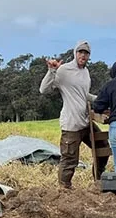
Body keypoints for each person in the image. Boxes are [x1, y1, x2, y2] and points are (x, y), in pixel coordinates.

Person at [39, 40, 107, 188]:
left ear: (89, 56)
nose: (83, 55)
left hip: (86, 122)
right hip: (71, 125)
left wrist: (102, 99)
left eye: (86, 53)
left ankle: (99, 182)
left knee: (103, 148)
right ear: (75, 53)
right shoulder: (64, 70)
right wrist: (52, 71)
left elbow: (83, 94)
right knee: (70, 160)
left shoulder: (86, 72)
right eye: (80, 52)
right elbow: (43, 90)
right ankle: (64, 190)